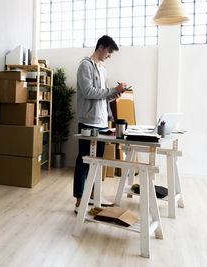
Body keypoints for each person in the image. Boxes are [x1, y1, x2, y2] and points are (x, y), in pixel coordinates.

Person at [73, 35, 127, 213]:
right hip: (88, 122)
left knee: (97, 163)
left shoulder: (102, 68)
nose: (110, 55)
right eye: (109, 51)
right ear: (101, 47)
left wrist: (114, 94)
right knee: (84, 161)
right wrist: (112, 90)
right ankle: (80, 202)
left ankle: (94, 196)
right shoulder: (85, 65)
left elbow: (101, 94)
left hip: (102, 122)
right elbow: (89, 91)